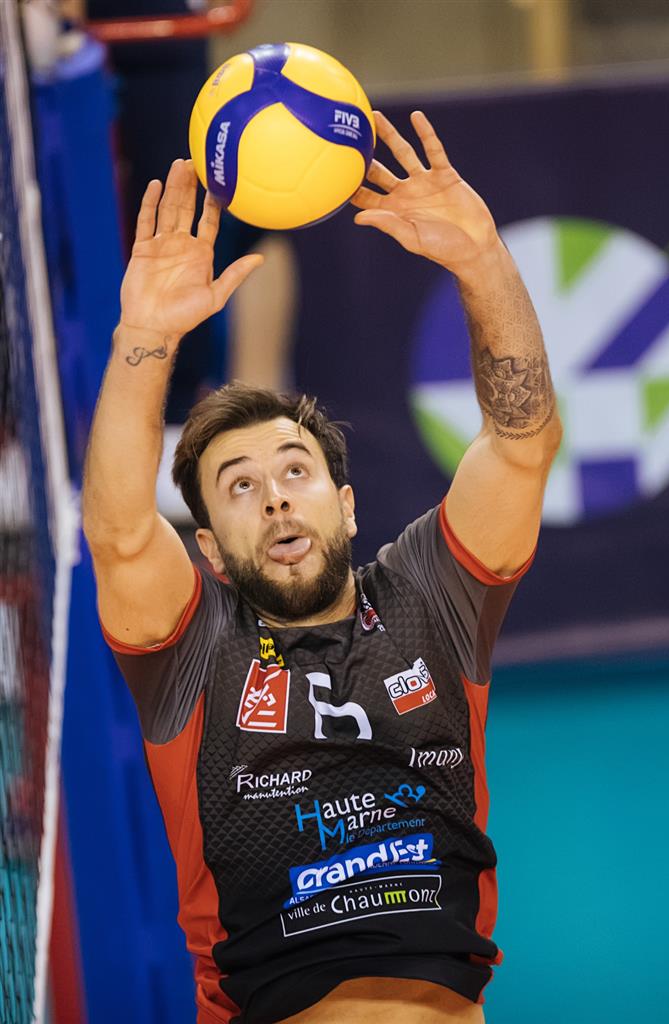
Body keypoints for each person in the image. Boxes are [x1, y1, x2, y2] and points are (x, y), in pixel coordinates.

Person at [82, 110, 561, 1024]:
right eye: (239, 485)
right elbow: (119, 533)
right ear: (210, 549)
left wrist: (482, 261)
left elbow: (520, 442)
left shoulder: (430, 598)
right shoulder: (192, 656)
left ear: (345, 505)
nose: (274, 497)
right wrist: (144, 337)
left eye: (295, 472)